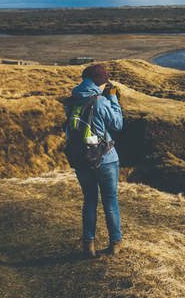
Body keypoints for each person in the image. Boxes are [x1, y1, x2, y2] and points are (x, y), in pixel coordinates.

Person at [66, 63, 123, 257]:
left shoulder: (72, 100)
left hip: (81, 158)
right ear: (101, 82)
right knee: (110, 201)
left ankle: (88, 244)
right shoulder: (100, 101)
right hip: (105, 159)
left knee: (90, 200)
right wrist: (113, 98)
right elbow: (117, 124)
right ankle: (115, 243)